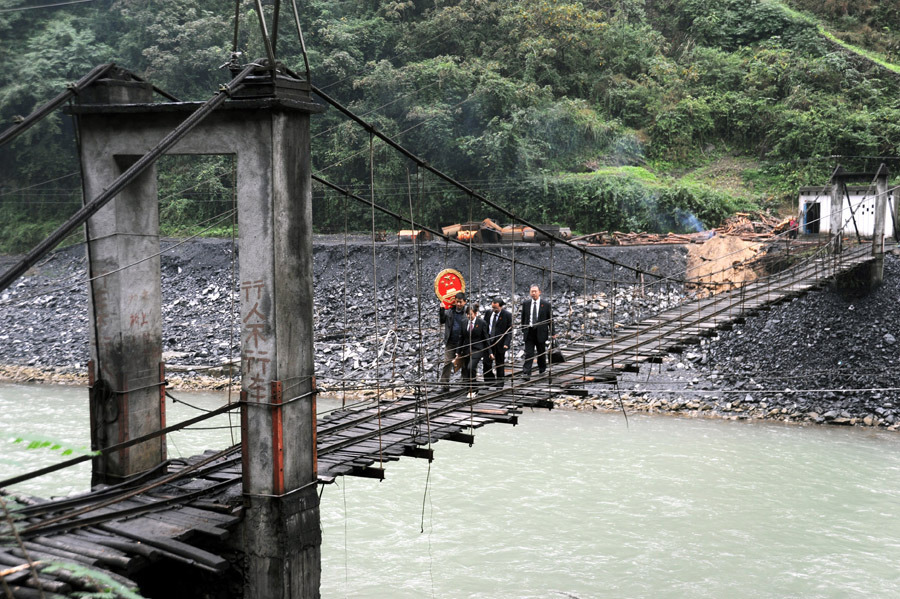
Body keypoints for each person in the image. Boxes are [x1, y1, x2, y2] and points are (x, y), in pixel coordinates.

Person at [521, 284, 553, 380]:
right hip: (529, 332)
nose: (533, 293)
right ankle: (526, 373)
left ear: (539, 292)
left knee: (541, 353)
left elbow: (550, 319)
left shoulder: (546, 304)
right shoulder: (526, 304)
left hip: (541, 332)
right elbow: (523, 317)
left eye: (535, 291)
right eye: (532, 291)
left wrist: (553, 332)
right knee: (529, 353)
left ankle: (542, 370)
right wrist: (523, 329)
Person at [439, 292, 468, 384]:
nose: (458, 304)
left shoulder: (467, 313)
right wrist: (442, 310)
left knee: (464, 363)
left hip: (463, 342)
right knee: (447, 363)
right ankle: (444, 385)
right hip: (451, 341)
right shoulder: (450, 311)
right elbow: (442, 320)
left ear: (465, 302)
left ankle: (466, 383)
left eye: (460, 302)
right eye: (457, 302)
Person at [483, 297, 512, 386]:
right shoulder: (488, 313)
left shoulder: (507, 315)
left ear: (501, 307)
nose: (494, 310)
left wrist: (506, 343)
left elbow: (509, 330)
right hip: (489, 342)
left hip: (500, 343)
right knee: (486, 362)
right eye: (493, 307)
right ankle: (489, 382)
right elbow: (484, 326)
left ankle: (500, 384)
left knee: (499, 364)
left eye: (496, 308)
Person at [460, 305, 488, 397]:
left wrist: (489, 351)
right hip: (467, 349)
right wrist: (458, 351)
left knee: (470, 367)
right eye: (467, 314)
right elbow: (461, 338)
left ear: (476, 314)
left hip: (477, 349)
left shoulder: (481, 323)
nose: (469, 316)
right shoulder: (464, 323)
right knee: (467, 369)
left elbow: (485, 338)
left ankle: (473, 389)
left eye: (471, 314)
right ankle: (470, 388)